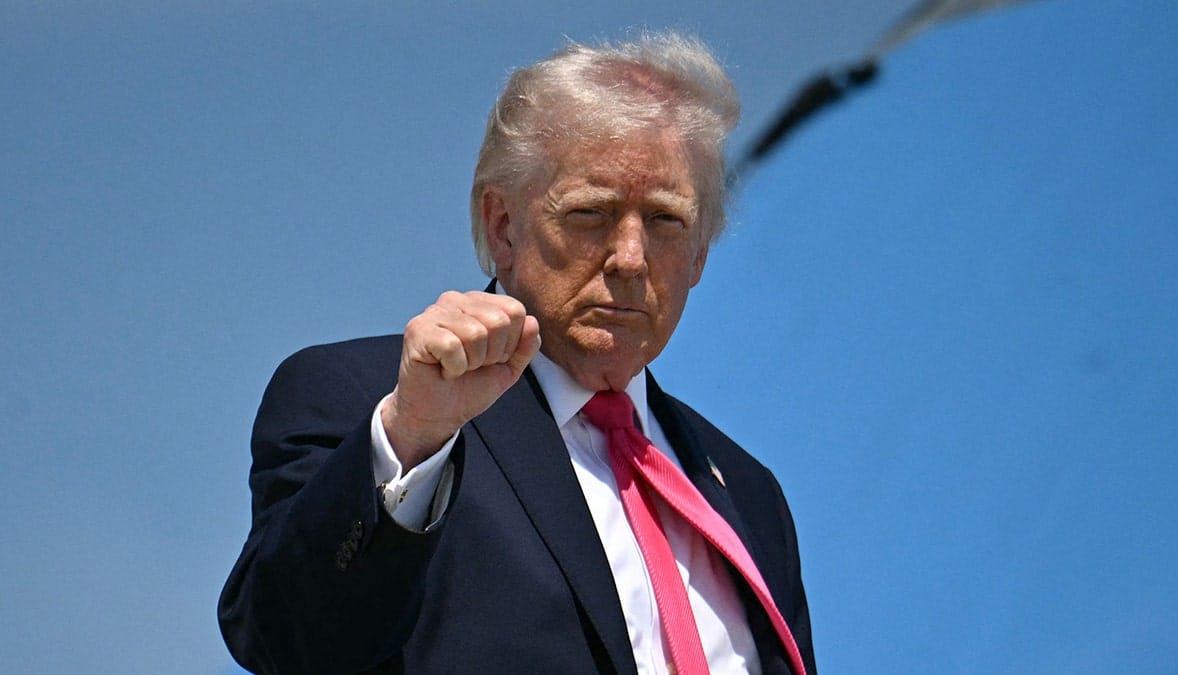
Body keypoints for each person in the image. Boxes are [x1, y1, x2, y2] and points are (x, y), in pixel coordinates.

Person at [219, 31, 817, 675]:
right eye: (590, 213)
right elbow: (286, 641)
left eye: (666, 220)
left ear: (699, 254)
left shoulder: (747, 493)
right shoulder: (369, 401)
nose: (630, 258)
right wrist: (413, 436)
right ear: (502, 226)